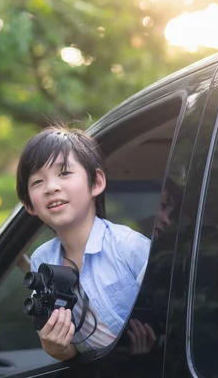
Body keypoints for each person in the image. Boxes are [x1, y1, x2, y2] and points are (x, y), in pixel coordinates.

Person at [16, 126, 155, 360]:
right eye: (37, 181)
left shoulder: (129, 247)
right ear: (29, 205)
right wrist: (54, 347)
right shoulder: (42, 260)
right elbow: (70, 352)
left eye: (64, 173)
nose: (51, 187)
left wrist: (148, 351)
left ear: (96, 182)